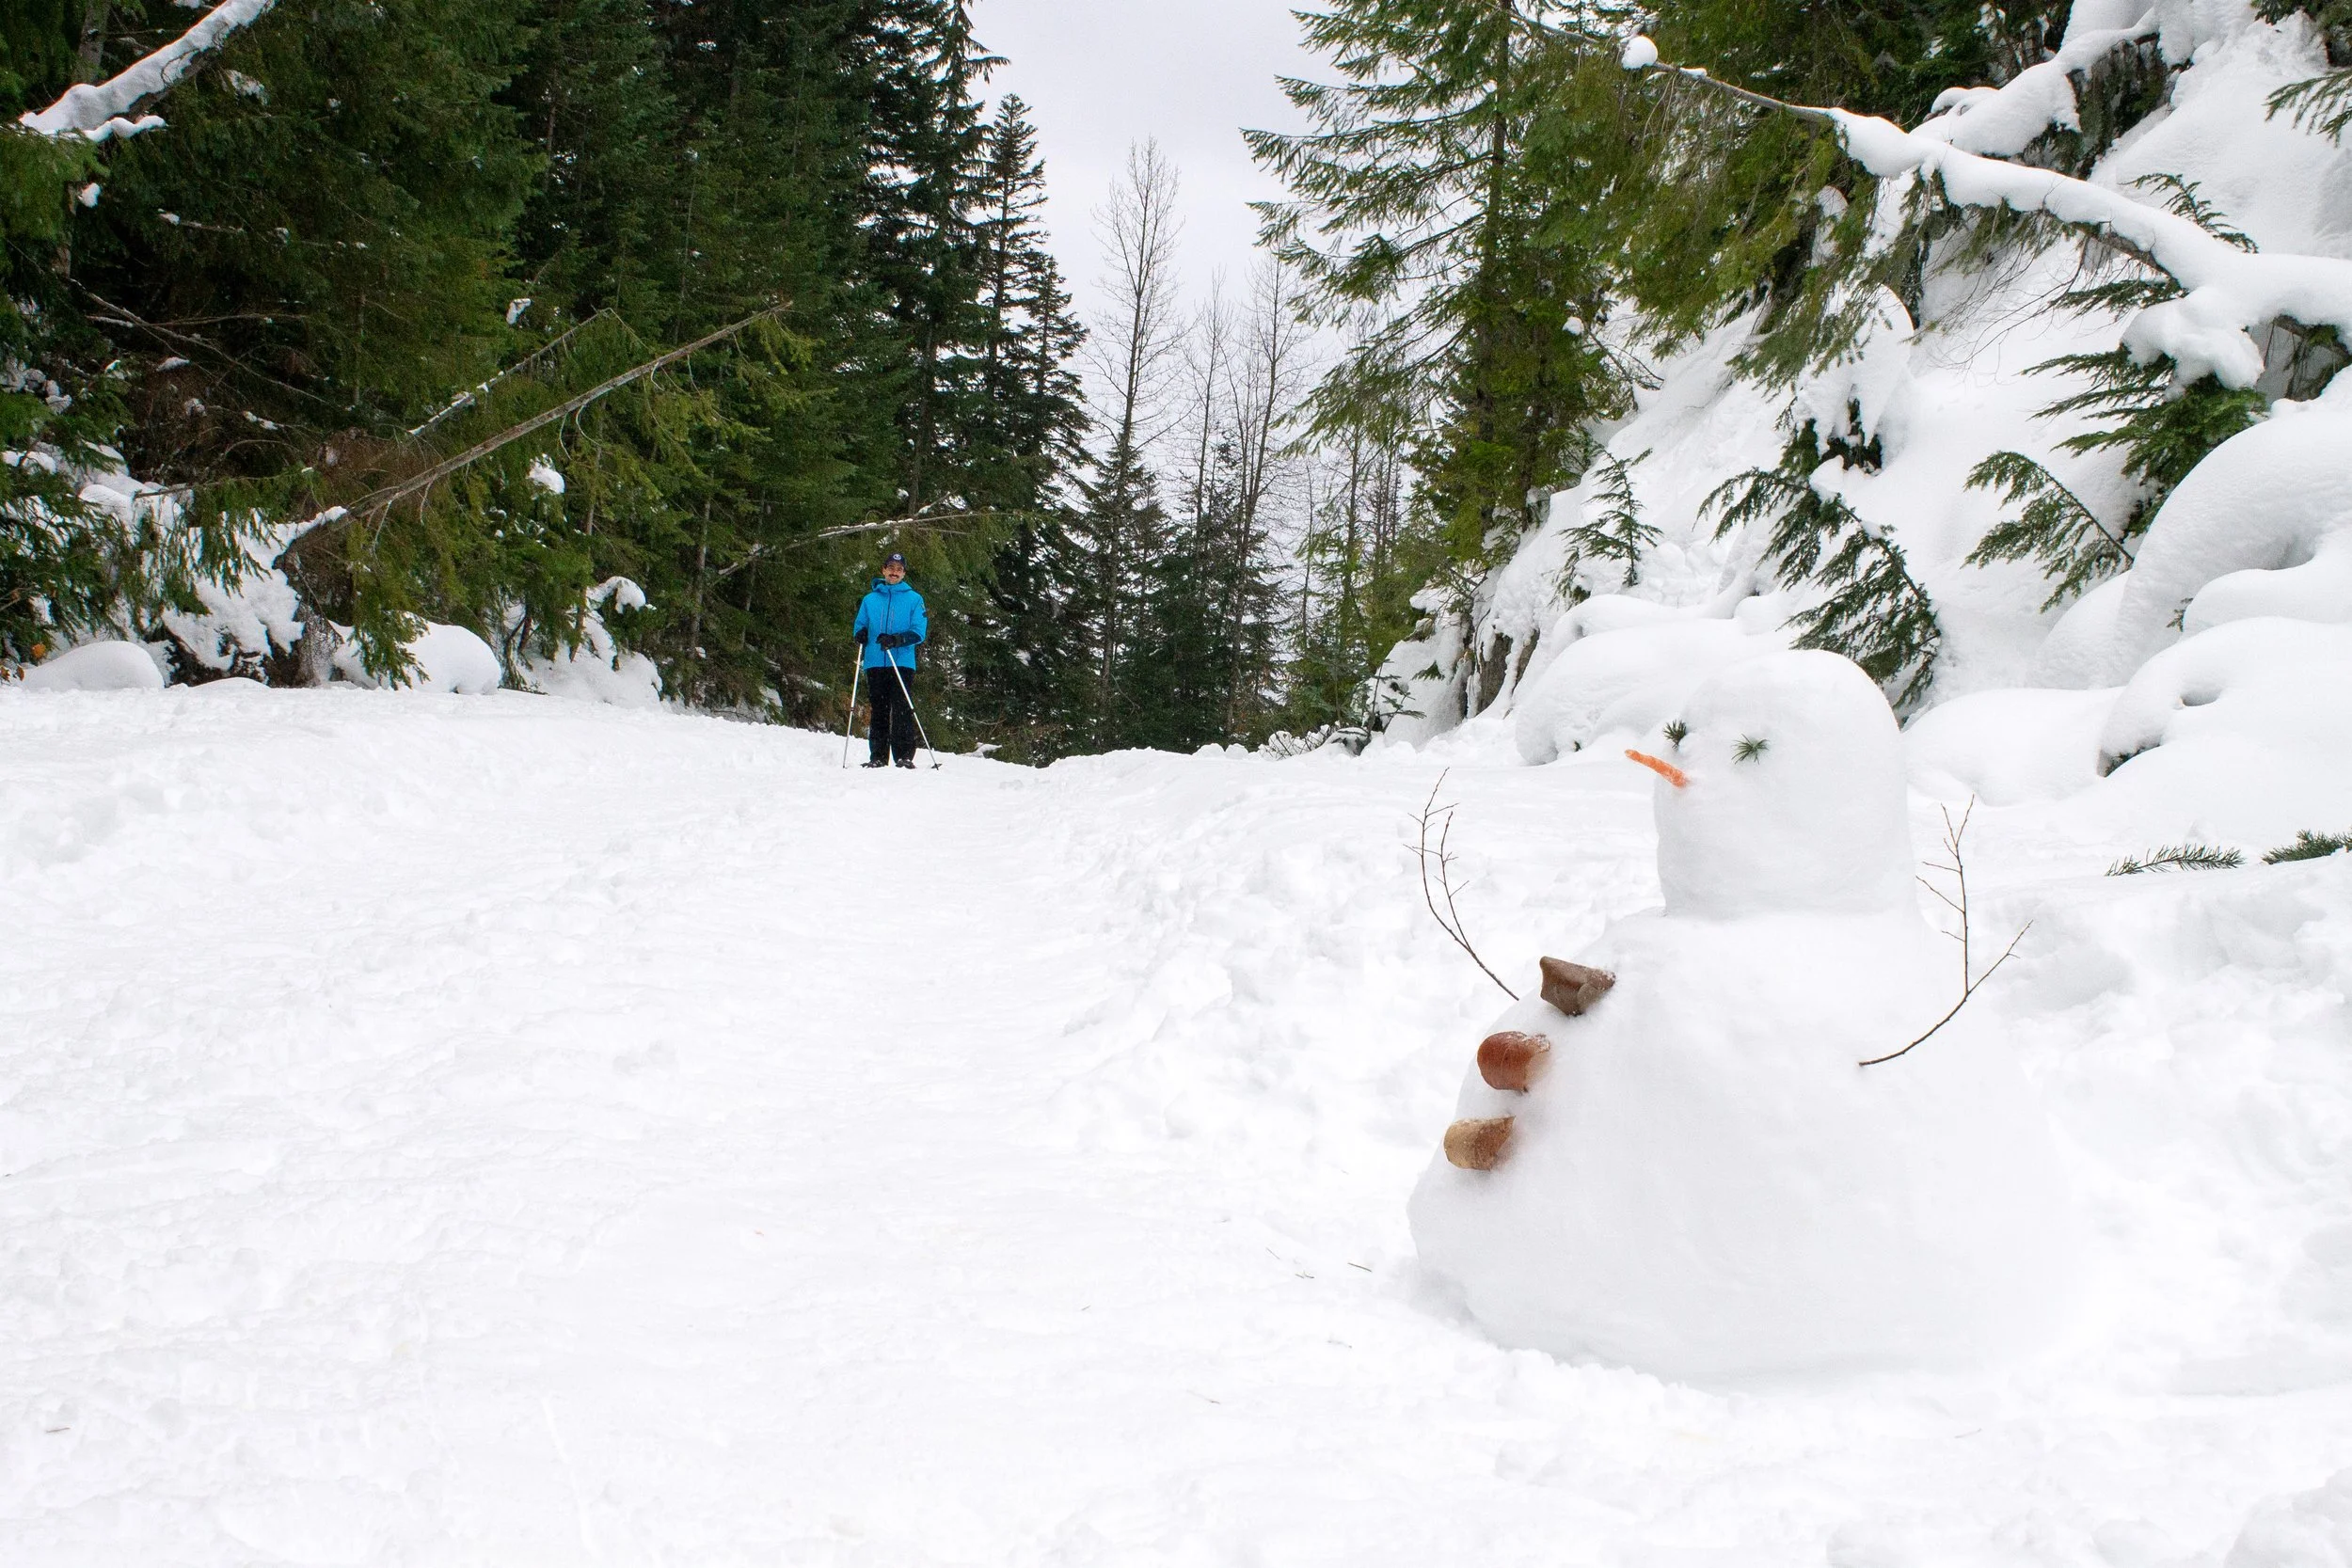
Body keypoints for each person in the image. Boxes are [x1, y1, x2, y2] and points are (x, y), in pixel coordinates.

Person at [851, 552, 929, 768]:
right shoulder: (870, 599)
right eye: (891, 568)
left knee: (902, 707)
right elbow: (860, 625)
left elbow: (919, 632)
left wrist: (897, 639)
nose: (894, 572)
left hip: (902, 662)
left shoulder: (914, 599)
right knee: (879, 709)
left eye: (899, 569)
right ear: (883, 570)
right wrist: (861, 634)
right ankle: (877, 756)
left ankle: (904, 756)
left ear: (904, 573)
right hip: (875, 661)